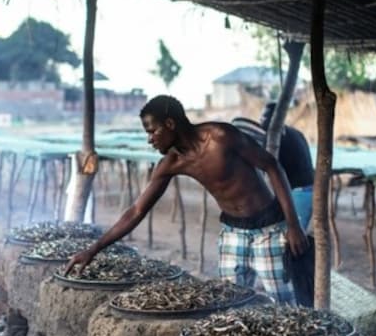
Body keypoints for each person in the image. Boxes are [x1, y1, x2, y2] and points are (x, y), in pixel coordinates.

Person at [65, 95, 308, 304]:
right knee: (232, 303)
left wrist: (293, 225)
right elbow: (136, 211)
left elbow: (273, 166)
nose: (150, 139)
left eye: (152, 131)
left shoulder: (221, 137)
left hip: (270, 228)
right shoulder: (171, 163)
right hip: (233, 233)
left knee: (286, 303)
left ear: (170, 124)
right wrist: (93, 249)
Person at [231, 102, 315, 230]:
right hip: (307, 190)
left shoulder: (273, 139)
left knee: (293, 235)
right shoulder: (296, 133)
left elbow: (268, 168)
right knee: (294, 235)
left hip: (298, 193)